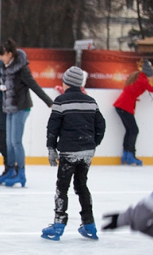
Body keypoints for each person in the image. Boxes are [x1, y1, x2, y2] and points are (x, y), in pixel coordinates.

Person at [102, 82, 153, 241]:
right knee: (132, 131)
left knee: (133, 131)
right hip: (125, 109)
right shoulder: (139, 81)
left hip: (124, 109)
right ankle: (128, 155)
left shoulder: (141, 80)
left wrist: (128, 218)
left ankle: (128, 155)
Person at [41, 66, 106, 241]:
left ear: (66, 83)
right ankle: (89, 224)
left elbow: (52, 128)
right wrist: (94, 143)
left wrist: (51, 148)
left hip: (69, 152)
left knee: (62, 188)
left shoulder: (61, 101)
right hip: (86, 152)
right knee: (81, 185)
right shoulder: (91, 101)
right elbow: (101, 125)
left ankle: (59, 224)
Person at [0, 39, 54, 187]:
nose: (0, 58)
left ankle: (21, 173)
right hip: (9, 108)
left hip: (21, 108)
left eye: (2, 55)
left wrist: (49, 102)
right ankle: (10, 170)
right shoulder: (4, 68)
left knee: (16, 142)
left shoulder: (21, 69)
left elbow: (34, 85)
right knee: (9, 142)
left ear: (10, 54)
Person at [113, 59, 153, 166]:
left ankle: (126, 155)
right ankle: (130, 156)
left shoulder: (138, 78)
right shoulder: (143, 80)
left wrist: (133, 98)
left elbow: (132, 91)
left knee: (130, 130)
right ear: (148, 74)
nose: (151, 78)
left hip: (122, 105)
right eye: (151, 76)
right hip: (124, 106)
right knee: (134, 130)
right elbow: (151, 89)